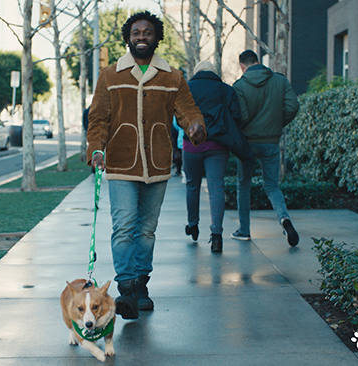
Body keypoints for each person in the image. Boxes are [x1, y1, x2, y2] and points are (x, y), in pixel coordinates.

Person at [87, 11, 206, 320]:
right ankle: (127, 290)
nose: (142, 36)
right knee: (124, 227)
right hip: (120, 162)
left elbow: (188, 110)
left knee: (147, 231)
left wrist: (195, 125)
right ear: (128, 38)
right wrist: (96, 149)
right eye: (136, 32)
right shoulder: (110, 75)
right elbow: (98, 118)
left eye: (148, 32)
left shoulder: (172, 76)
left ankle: (142, 285)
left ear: (157, 38)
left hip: (157, 164)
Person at [232, 50, 300, 246]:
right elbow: (293, 106)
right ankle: (284, 219)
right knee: (271, 185)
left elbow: (241, 117)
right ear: (258, 62)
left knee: (243, 185)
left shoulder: (240, 86)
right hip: (271, 141)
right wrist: (277, 123)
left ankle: (244, 230)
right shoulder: (280, 81)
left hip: (247, 143)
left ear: (242, 66)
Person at [183, 60, 242, 253]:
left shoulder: (187, 88)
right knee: (216, 187)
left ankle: (193, 225)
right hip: (218, 145)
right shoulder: (226, 89)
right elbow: (237, 115)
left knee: (192, 185)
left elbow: (177, 116)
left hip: (191, 146)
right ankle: (216, 235)